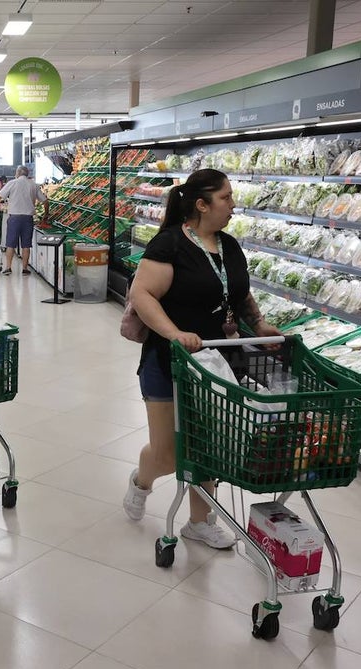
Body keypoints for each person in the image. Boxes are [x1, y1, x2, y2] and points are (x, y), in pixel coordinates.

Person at [123, 168, 281, 548]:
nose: (232, 204)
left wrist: (258, 324)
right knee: (167, 453)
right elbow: (142, 295)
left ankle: (199, 520)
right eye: (225, 197)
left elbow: (238, 294)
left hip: (219, 362)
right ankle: (142, 481)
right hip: (170, 360)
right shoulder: (169, 246)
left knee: (207, 445)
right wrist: (175, 333)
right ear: (201, 204)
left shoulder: (229, 245)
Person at [0, 165, 48, 276]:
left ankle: (8, 268)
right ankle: (25, 269)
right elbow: (45, 201)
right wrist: (46, 215)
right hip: (28, 219)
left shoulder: (12, 183)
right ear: (27, 174)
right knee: (26, 245)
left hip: (14, 218)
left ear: (18, 173)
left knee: (10, 244)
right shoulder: (34, 185)